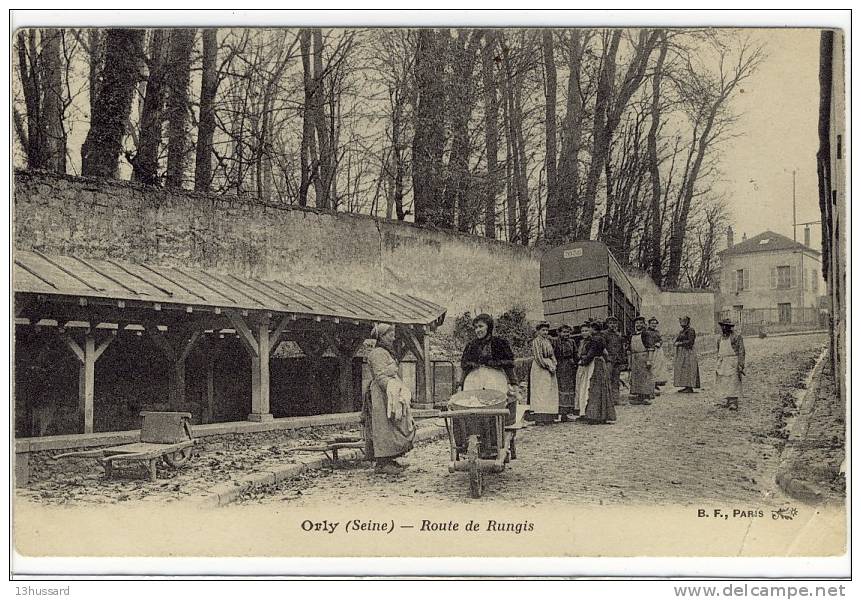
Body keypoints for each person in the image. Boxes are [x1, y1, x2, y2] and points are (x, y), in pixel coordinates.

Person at [364, 323, 416, 475]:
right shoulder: (377, 353)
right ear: (381, 337)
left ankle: (390, 458)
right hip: (380, 395)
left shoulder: (387, 352)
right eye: (390, 335)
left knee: (394, 426)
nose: (393, 338)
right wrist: (393, 387)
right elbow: (380, 376)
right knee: (383, 428)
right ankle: (381, 463)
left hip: (390, 393)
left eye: (393, 335)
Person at [460, 313, 517, 390]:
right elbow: (465, 369)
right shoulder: (471, 345)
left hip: (495, 380)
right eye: (476, 327)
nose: (478, 330)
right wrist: (460, 385)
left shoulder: (499, 343)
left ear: (489, 327)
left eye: (481, 326)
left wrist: (514, 385)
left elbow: (508, 366)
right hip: (474, 380)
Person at [575, 321, 616, 425]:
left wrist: (583, 361)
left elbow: (591, 354)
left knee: (593, 388)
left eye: (589, 329)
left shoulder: (595, 339)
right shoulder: (602, 338)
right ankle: (602, 415)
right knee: (601, 388)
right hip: (601, 363)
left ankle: (594, 415)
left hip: (595, 364)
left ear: (593, 329)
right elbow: (605, 353)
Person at [528, 321, 559, 424]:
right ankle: (540, 417)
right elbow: (538, 357)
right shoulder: (536, 341)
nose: (545, 332)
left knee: (550, 391)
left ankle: (549, 416)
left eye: (546, 330)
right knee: (541, 391)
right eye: (543, 330)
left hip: (550, 366)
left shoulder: (547, 341)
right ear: (538, 331)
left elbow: (552, 354)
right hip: (540, 368)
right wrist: (547, 366)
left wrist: (554, 364)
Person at [715, 318, 745, 411]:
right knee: (724, 381)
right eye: (723, 326)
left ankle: (734, 402)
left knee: (733, 381)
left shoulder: (736, 337)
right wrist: (718, 362)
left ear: (730, 327)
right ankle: (727, 400)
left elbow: (741, 351)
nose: (724, 328)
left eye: (726, 326)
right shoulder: (720, 338)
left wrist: (740, 364)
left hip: (733, 361)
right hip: (723, 361)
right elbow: (718, 350)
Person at [628, 316, 658, 405]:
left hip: (644, 356)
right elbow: (629, 349)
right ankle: (638, 396)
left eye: (640, 323)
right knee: (636, 377)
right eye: (637, 323)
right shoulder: (632, 335)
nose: (638, 325)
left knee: (645, 377)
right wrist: (630, 362)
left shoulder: (646, 334)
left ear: (644, 324)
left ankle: (646, 396)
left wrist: (649, 360)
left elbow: (651, 348)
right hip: (635, 358)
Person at [552, 323, 578, 421]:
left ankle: (567, 413)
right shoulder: (556, 342)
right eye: (564, 332)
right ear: (559, 333)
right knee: (561, 387)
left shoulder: (572, 342)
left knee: (570, 388)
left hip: (570, 367)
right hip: (560, 366)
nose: (566, 334)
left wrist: (577, 363)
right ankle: (560, 412)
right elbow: (553, 354)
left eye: (568, 332)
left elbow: (575, 354)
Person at [602, 316, 626, 406]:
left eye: (614, 323)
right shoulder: (604, 334)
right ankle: (607, 401)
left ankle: (616, 399)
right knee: (607, 379)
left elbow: (621, 349)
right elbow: (603, 347)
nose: (612, 325)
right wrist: (607, 357)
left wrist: (622, 360)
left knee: (616, 380)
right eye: (611, 323)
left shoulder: (618, 335)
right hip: (608, 360)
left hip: (617, 360)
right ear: (607, 324)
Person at [673, 316, 701, 393]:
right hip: (682, 353)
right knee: (683, 368)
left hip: (689, 352)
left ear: (688, 322)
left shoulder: (691, 330)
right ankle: (686, 385)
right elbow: (677, 339)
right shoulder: (682, 331)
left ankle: (690, 386)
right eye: (681, 322)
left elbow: (690, 342)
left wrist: (680, 343)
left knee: (689, 368)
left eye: (684, 321)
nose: (682, 323)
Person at [648, 317, 668, 394]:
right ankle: (651, 384)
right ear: (649, 324)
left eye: (655, 323)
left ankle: (656, 383)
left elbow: (660, 339)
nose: (654, 325)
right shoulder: (647, 332)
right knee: (652, 366)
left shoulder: (657, 332)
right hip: (651, 351)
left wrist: (659, 343)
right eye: (652, 323)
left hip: (658, 351)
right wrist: (653, 344)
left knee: (659, 366)